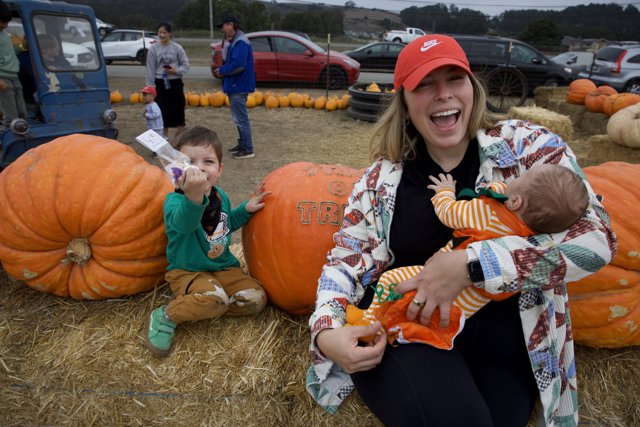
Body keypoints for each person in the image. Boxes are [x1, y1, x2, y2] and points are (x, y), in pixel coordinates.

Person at [306, 34, 616, 426]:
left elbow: (597, 239)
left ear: (473, 87)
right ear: (403, 99)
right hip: (408, 328)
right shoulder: (379, 180)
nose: (443, 95)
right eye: (425, 84)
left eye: (455, 79)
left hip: (504, 344)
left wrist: (472, 265)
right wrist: (325, 333)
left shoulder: (527, 148)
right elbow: (344, 261)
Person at [346, 164, 590, 349]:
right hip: (467, 307)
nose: (513, 178)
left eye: (520, 178)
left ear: (515, 201)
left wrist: (444, 191)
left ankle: (368, 324)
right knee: (418, 311)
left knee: (393, 281)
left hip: (436, 280)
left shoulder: (486, 214)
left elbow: (449, 213)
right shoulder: (529, 240)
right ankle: (400, 331)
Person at [144, 126, 269, 357]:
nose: (199, 167)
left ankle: (213, 304)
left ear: (219, 169)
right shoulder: (174, 201)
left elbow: (225, 223)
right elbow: (185, 224)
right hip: (188, 272)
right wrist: (193, 196)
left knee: (256, 299)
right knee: (214, 298)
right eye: (189, 161)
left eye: (208, 161)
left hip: (223, 267)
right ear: (176, 170)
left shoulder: (221, 196)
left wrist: (245, 210)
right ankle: (167, 315)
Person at [212, 13, 256, 160]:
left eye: (223, 26)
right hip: (235, 85)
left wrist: (222, 71)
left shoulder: (241, 42)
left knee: (241, 119)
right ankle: (242, 144)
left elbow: (239, 65)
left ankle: (248, 148)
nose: (222, 30)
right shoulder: (235, 41)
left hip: (239, 85)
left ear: (230, 25)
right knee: (238, 118)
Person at [145, 21, 190, 141]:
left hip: (175, 83)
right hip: (160, 83)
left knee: (178, 111)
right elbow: (150, 68)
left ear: (170, 33)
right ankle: (161, 141)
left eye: (164, 32)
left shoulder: (177, 48)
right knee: (161, 113)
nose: (162, 35)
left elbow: (185, 66)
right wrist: (150, 87)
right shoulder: (153, 49)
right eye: (160, 32)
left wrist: (175, 70)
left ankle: (178, 140)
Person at [0, 0, 27, 130]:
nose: (5, 25)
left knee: (22, 113)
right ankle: (6, 144)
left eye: (7, 22)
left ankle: (21, 139)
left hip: (14, 76)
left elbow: (10, 53)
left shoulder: (4, 35)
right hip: (3, 78)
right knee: (10, 117)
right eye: (2, 22)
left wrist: (23, 47)